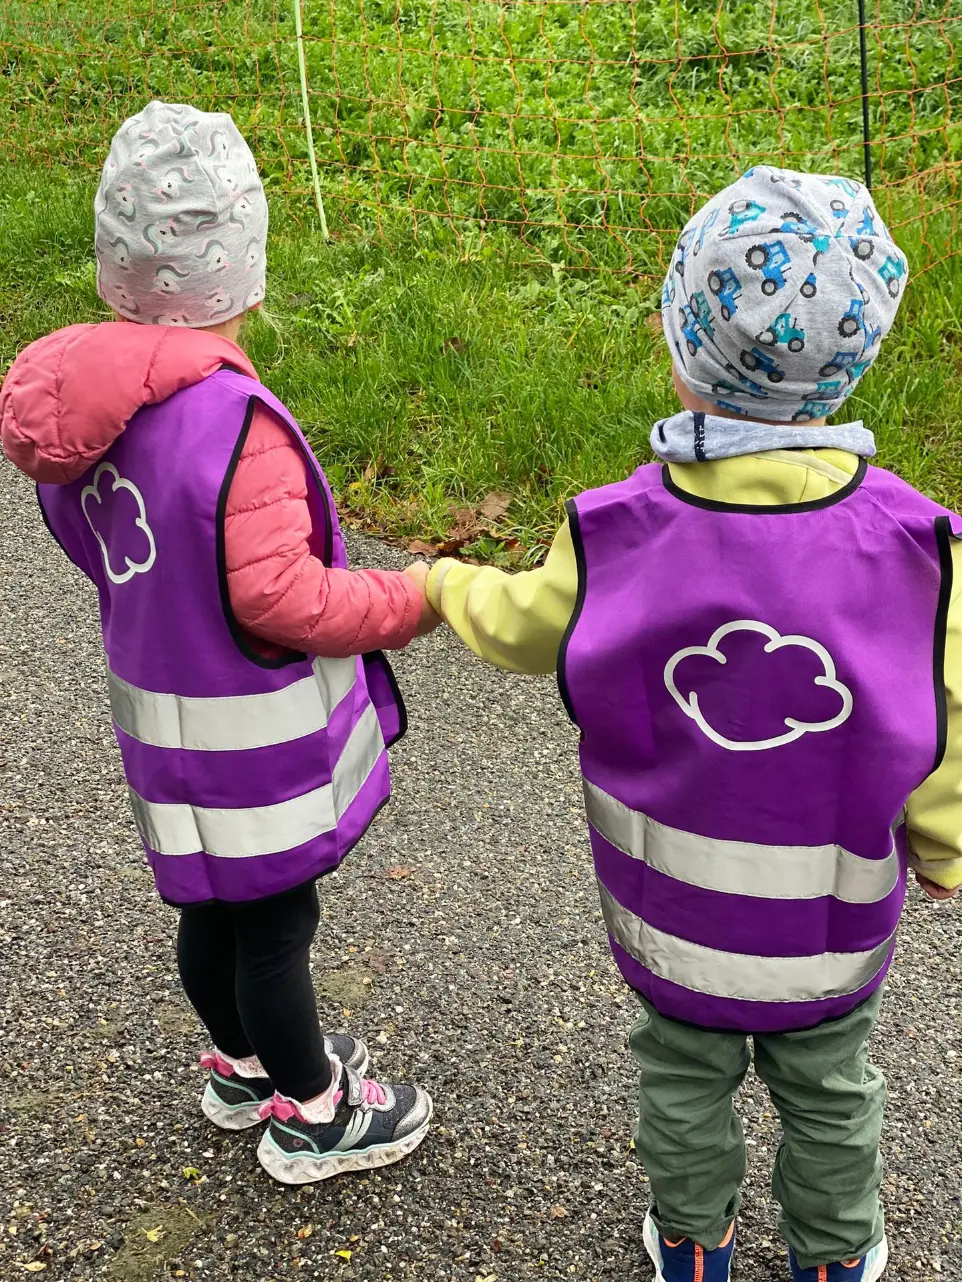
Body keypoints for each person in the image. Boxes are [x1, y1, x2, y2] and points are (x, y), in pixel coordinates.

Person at [409, 167, 962, 1281]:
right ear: (856, 356)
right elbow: (945, 725)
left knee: (679, 1081)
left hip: (670, 917)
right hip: (828, 925)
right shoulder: (918, 551)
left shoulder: (615, 531)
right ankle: (833, 1256)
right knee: (831, 1090)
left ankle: (693, 1245)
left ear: (683, 339)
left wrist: (439, 583)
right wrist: (946, 850)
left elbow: (524, 627)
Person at [0, 100, 440, 1186]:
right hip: (252, 746)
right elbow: (289, 601)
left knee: (206, 904)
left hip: (163, 728)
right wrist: (413, 596)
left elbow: (89, 539)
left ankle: (243, 1064)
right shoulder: (233, 424)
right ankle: (315, 1109)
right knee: (276, 929)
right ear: (245, 270)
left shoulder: (90, 412)